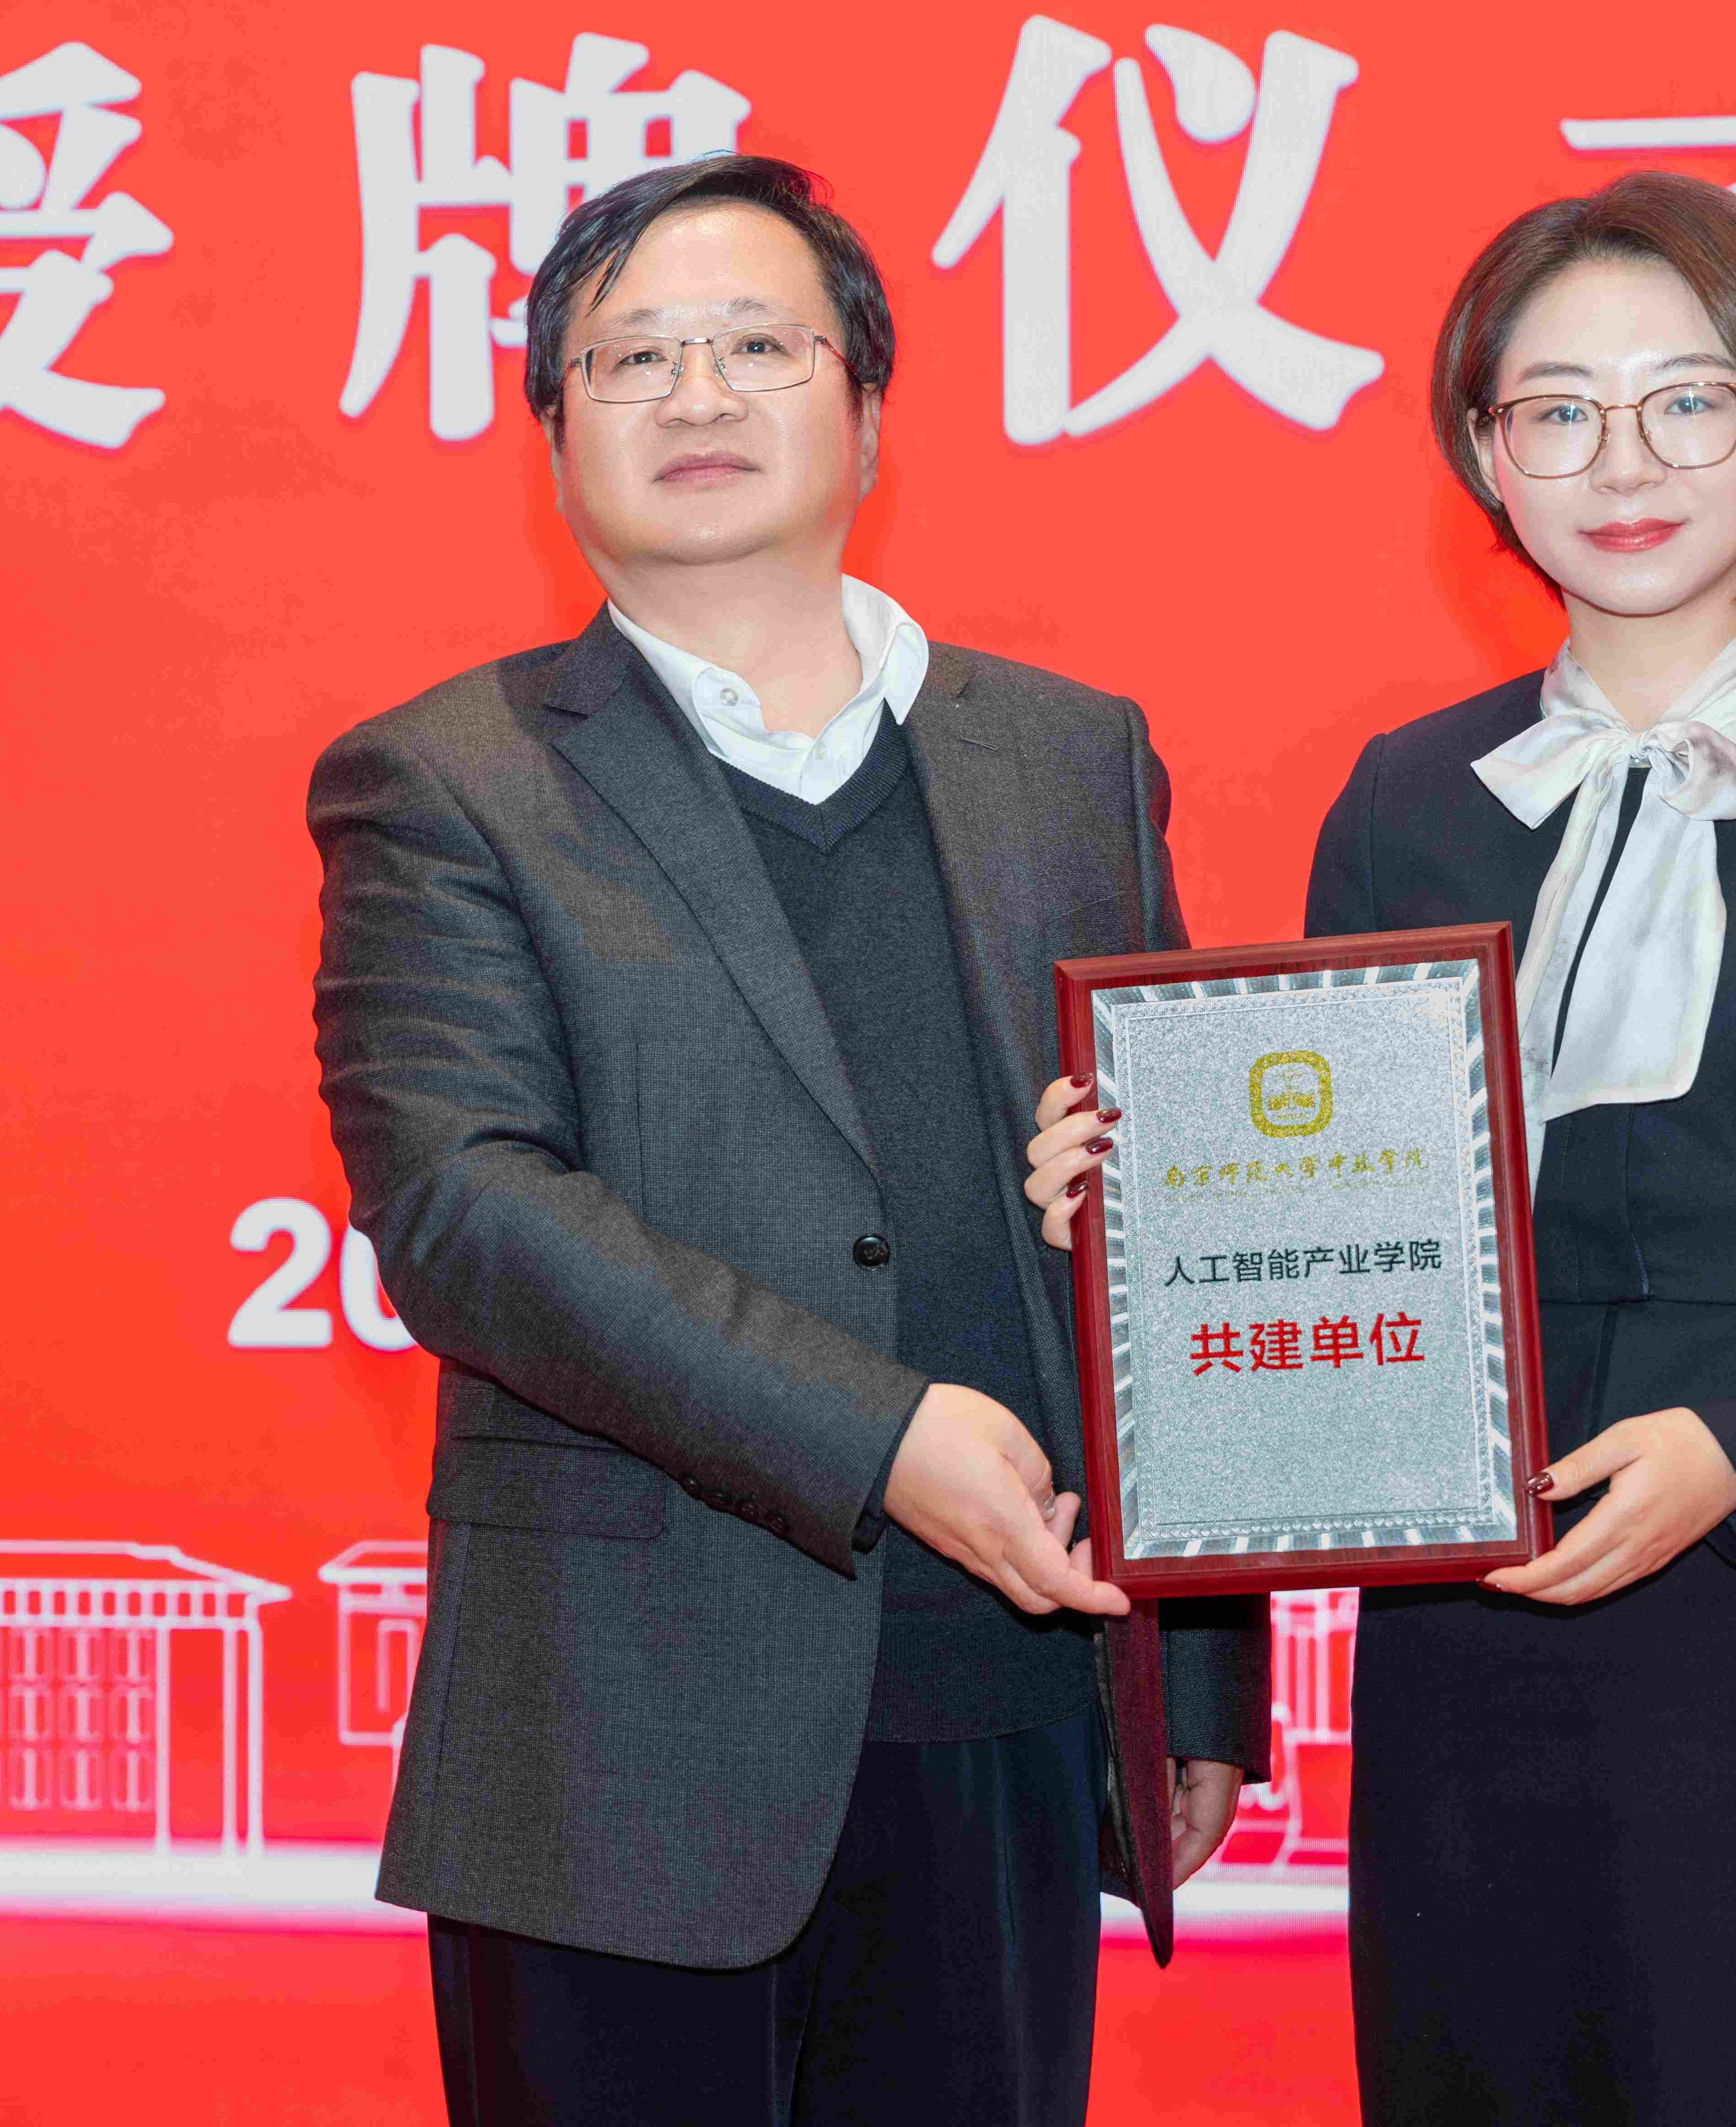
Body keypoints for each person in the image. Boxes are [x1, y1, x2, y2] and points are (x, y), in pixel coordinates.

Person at [1030, 170, 1736, 2124]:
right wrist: (1139, 1204)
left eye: (1688, 401)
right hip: (1475, 1639)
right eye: (1557, 411)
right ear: (1487, 461)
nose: (1624, 462)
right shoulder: (1407, 800)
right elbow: (1335, 1231)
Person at [309, 156, 1267, 2127]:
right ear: (553, 432)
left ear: (869, 411)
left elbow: (1172, 1202)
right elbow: (469, 1212)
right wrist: (881, 1435)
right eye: (632, 356)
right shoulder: (446, 779)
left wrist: (1197, 1671)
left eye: (760, 345)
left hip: (1011, 1702)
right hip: (619, 1747)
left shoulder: (1069, 755)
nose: (698, 393)